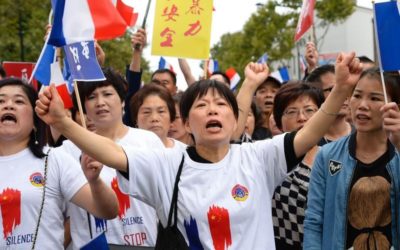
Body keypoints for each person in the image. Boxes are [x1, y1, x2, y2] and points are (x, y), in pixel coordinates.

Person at [36, 53, 362, 249]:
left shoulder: (260, 157)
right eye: (201, 105)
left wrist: (343, 90)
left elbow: (310, 131)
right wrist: (64, 124)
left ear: (235, 119)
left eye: (221, 104)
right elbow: (111, 153)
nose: (212, 111)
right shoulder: (167, 164)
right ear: (186, 122)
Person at [0, 78, 118, 249]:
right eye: (1, 100)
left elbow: (108, 211)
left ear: (35, 121)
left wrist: (95, 181)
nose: (8, 105)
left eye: (19, 101)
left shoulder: (55, 160)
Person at [62, 69, 164, 249]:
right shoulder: (67, 151)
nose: (100, 102)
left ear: (122, 100)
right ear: (83, 106)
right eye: (92, 97)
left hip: (146, 243)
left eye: (108, 94)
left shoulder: (148, 141)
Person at [304, 69, 400, 249]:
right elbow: (314, 221)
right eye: (357, 95)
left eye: (375, 98)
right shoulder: (328, 155)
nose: (363, 105)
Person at [270, 82, 324, 249]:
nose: (302, 117)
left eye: (309, 110)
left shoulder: (336, 157)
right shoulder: (268, 159)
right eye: (291, 112)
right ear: (279, 122)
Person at [306, 64, 353, 145]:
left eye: (346, 88)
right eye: (334, 89)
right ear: (316, 95)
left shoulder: (364, 134)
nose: (344, 95)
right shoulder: (307, 143)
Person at [130, 83, 186, 149]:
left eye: (161, 111)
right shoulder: (123, 152)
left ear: (171, 117)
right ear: (136, 119)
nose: (154, 118)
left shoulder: (186, 153)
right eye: (146, 112)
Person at [252, 76, 282, 140]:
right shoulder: (248, 129)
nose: (268, 95)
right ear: (254, 98)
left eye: (274, 91)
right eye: (262, 91)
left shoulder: (286, 129)